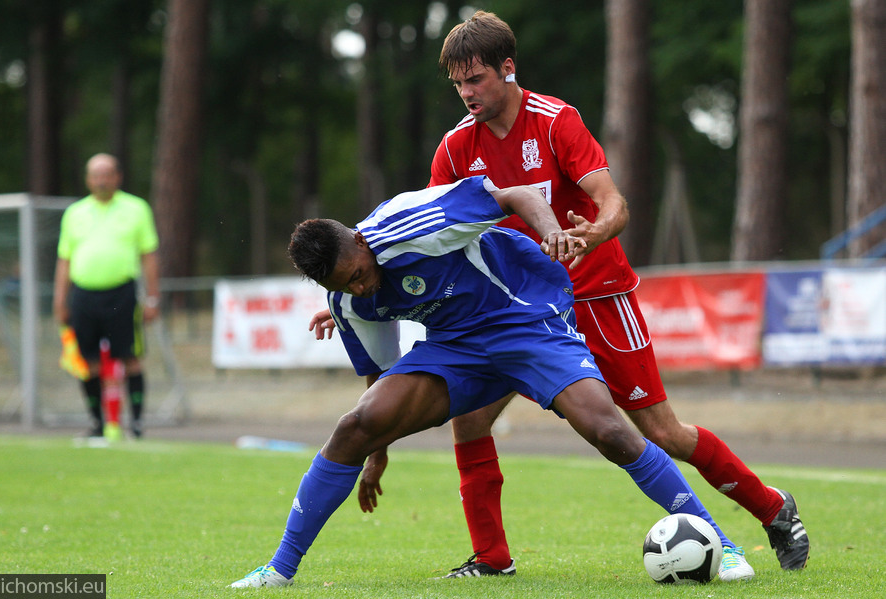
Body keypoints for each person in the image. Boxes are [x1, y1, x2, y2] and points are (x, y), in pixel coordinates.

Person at [416, 10, 807, 579]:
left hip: (597, 297)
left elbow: (614, 203)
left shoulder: (556, 121)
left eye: (476, 79)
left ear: (508, 68)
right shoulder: (455, 149)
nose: (467, 93)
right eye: (458, 83)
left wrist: (590, 234)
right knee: (470, 422)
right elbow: (427, 225)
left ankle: (773, 509)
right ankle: (492, 559)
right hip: (521, 313)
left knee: (662, 432)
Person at [231, 176, 745, 588]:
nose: (361, 286)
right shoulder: (347, 299)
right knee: (354, 425)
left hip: (523, 317)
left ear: (364, 241)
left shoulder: (414, 223)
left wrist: (551, 233)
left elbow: (515, 194)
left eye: (360, 272)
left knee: (609, 431)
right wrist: (376, 448)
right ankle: (277, 570)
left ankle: (721, 544)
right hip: (456, 347)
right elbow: (378, 375)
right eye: (345, 285)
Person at [52, 153, 160, 439]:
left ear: (117, 176)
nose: (101, 180)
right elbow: (64, 259)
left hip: (122, 294)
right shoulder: (75, 213)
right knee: (88, 362)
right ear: (88, 179)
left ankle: (135, 423)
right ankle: (97, 424)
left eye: (107, 173)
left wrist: (153, 298)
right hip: (84, 295)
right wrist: (60, 300)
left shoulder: (136, 209)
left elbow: (149, 255)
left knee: (130, 356)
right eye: (96, 174)